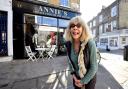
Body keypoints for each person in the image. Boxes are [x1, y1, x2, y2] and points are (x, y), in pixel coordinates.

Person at [64, 16, 98, 89]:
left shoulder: (90, 43)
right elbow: (70, 63)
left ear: (83, 29)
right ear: (69, 29)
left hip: (89, 80)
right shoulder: (68, 44)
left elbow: (94, 67)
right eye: (72, 25)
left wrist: (83, 81)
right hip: (76, 79)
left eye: (78, 25)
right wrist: (74, 78)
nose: (75, 28)